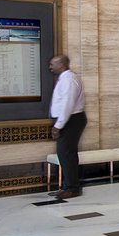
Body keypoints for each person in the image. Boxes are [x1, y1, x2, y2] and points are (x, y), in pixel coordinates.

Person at [49, 54, 87, 199]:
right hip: (70, 119)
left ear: (62, 65)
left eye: (53, 64)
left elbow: (67, 105)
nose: (50, 67)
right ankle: (68, 186)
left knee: (66, 154)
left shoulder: (69, 79)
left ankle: (72, 188)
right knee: (66, 154)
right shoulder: (66, 78)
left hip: (71, 119)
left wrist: (58, 125)